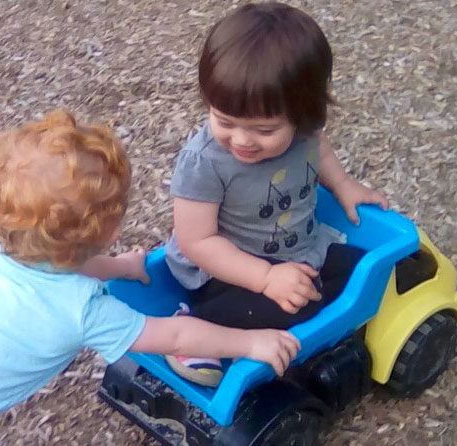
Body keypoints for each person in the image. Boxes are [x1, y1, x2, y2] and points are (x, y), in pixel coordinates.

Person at [0, 110, 300, 446]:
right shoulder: (85, 311)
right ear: (109, 231)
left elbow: (60, 264)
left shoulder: (2, 251)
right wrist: (250, 342)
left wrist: (119, 268)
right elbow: (177, 336)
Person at [165, 3, 388, 386]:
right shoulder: (205, 162)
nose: (241, 140)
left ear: (304, 113)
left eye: (264, 130)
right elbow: (197, 241)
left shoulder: (304, 130)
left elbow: (319, 149)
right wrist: (266, 278)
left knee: (366, 271)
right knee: (290, 308)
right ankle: (193, 330)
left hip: (299, 251)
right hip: (228, 273)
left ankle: (313, 307)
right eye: (224, 121)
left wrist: (343, 184)